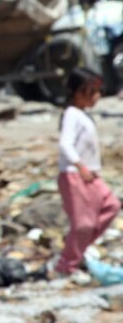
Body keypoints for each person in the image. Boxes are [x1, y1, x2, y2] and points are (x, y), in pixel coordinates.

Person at [54, 68, 120, 276]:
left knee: (111, 205)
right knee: (82, 225)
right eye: (91, 91)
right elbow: (65, 144)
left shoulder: (83, 115)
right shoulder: (72, 114)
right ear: (77, 92)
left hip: (90, 175)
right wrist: (80, 165)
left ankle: (75, 249)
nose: (97, 97)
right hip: (75, 174)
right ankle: (66, 265)